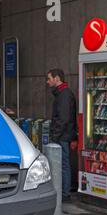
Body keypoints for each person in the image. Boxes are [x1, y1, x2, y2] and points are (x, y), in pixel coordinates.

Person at [47, 68, 78, 202]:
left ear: (57, 78)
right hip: (63, 135)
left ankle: (65, 193)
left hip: (63, 136)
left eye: (49, 78)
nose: (47, 82)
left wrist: (55, 136)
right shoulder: (62, 93)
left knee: (63, 165)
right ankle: (64, 191)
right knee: (63, 164)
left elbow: (63, 118)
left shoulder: (64, 94)